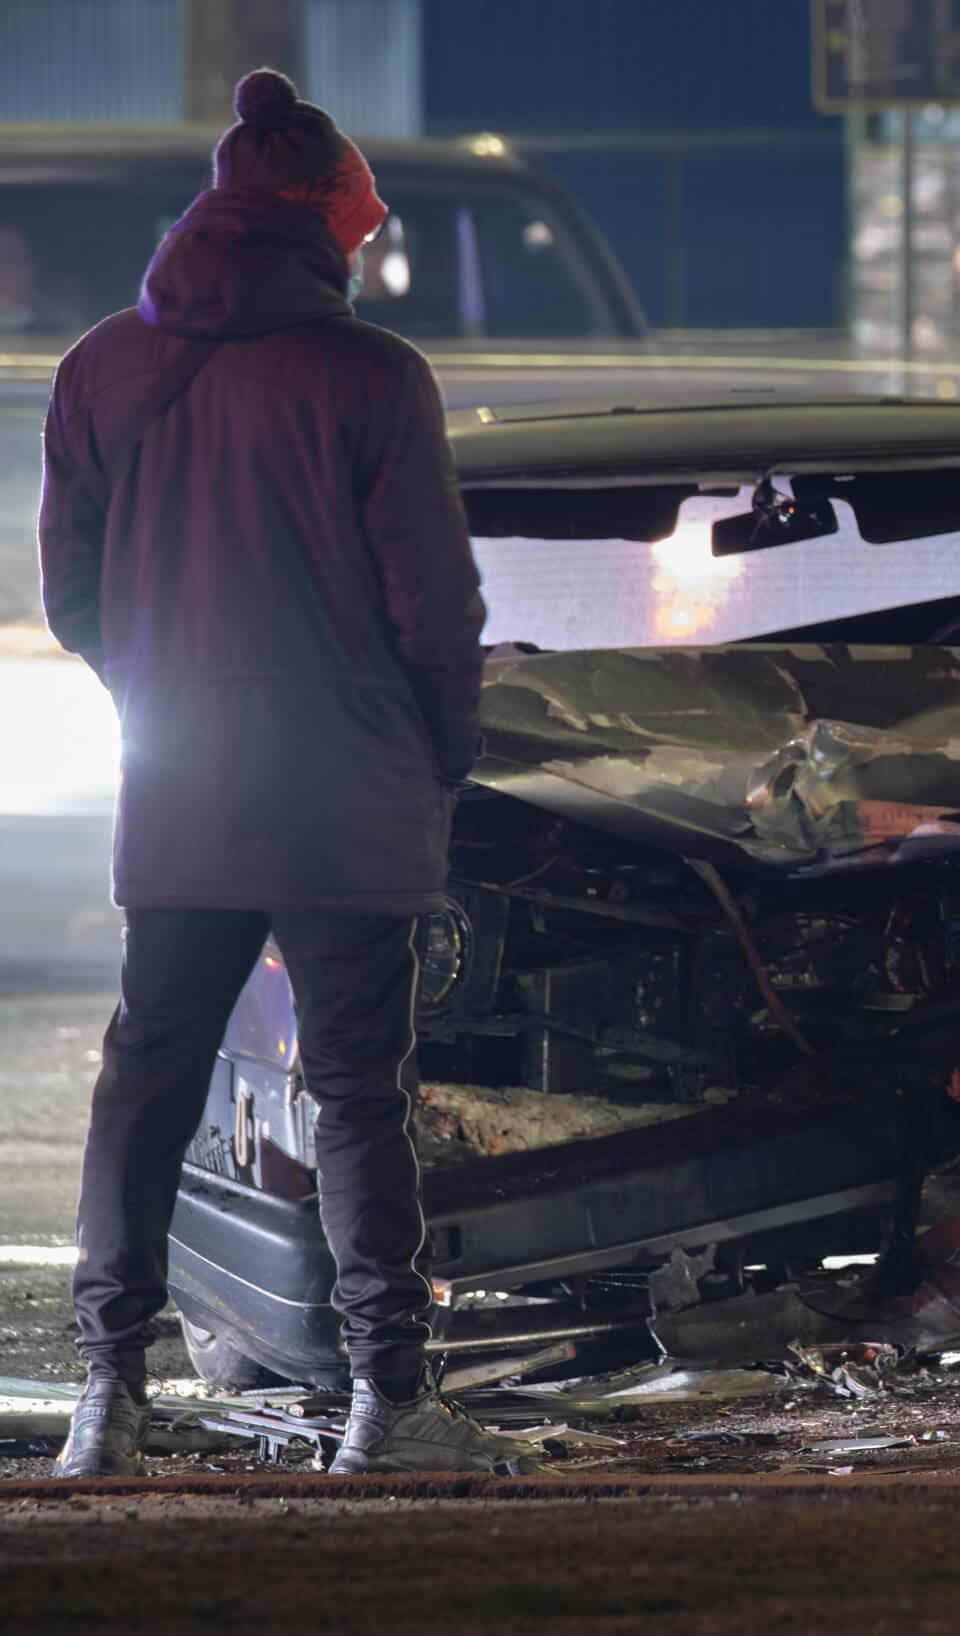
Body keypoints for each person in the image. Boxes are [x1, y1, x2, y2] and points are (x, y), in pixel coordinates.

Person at [38, 69, 503, 1477]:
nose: (359, 255)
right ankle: (387, 1406)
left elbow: (75, 600)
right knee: (357, 1094)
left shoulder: (102, 366)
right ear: (319, 224)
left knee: (148, 1078)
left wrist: (172, 692)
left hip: (187, 787)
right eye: (353, 233)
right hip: (352, 787)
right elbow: (436, 610)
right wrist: (443, 755)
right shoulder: (374, 377)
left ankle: (108, 1404)